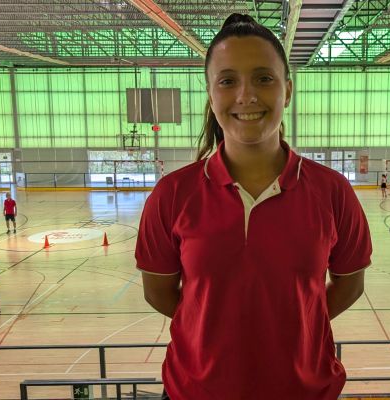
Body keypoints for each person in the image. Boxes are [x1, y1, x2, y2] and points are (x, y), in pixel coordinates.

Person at [135, 14, 372, 400]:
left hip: (305, 390)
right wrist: (213, 328)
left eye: (264, 78)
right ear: (211, 95)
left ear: (288, 90)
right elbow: (159, 294)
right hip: (197, 390)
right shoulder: (172, 194)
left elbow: (350, 283)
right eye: (228, 81)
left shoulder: (333, 191)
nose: (246, 95)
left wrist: (295, 326)